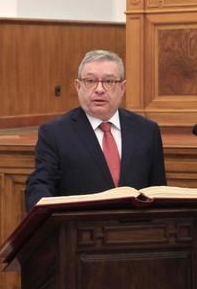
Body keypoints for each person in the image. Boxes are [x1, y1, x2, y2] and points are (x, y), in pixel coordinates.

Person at [25, 50, 166, 211]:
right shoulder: (54, 133)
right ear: (78, 86)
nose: (99, 89)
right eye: (90, 81)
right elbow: (41, 185)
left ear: (122, 87)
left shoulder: (147, 130)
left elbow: (159, 191)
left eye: (109, 81)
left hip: (135, 231)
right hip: (80, 230)